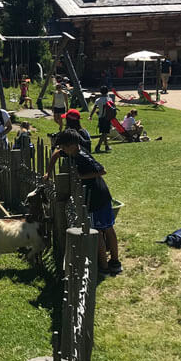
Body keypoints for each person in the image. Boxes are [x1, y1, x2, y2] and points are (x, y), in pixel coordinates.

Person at [45, 129, 122, 275]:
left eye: (63, 147)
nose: (61, 150)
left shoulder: (81, 156)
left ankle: (105, 267)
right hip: (102, 194)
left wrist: (81, 177)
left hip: (96, 197)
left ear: (72, 145)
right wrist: (48, 172)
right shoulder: (74, 151)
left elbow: (102, 170)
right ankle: (114, 262)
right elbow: (56, 154)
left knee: (98, 231)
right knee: (108, 228)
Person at [87, 86, 115, 153]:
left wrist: (90, 116)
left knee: (104, 132)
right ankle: (98, 146)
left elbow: (94, 108)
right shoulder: (109, 99)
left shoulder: (98, 100)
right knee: (104, 133)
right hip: (107, 117)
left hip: (100, 117)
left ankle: (106, 146)